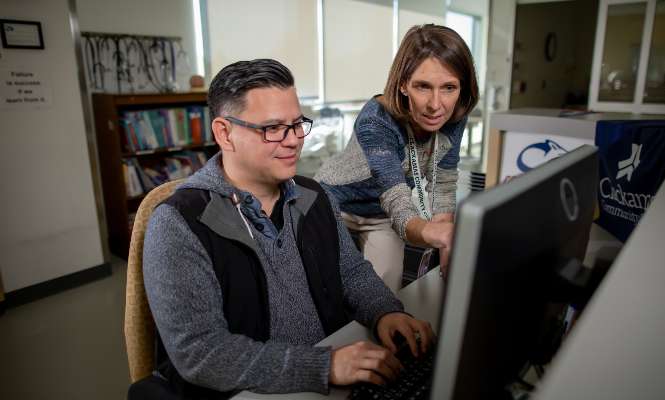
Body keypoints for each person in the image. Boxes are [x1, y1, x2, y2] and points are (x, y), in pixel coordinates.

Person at [132, 59, 434, 399]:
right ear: (224, 133)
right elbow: (201, 353)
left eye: (297, 125)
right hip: (254, 390)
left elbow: (349, 272)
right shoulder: (179, 224)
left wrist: (385, 311)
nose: (293, 141)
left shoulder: (314, 195)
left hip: (328, 372)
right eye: (273, 128)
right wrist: (323, 365)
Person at [315, 24, 480, 290]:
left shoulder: (453, 115)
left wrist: (447, 245)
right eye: (423, 87)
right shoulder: (376, 120)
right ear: (403, 84)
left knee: (386, 292)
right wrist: (433, 233)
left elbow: (444, 181)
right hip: (335, 204)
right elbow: (397, 200)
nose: (436, 105)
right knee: (329, 290)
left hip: (381, 215)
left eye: (449, 87)